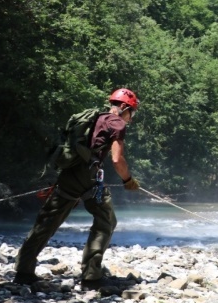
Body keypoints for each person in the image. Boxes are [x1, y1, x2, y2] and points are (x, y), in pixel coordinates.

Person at [13, 88, 141, 289]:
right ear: (124, 107)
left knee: (48, 220)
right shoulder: (116, 123)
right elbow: (117, 159)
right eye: (131, 113)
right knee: (106, 220)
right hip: (88, 176)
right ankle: (91, 276)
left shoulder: (95, 118)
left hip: (70, 173)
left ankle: (23, 270)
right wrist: (128, 180)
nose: (130, 119)